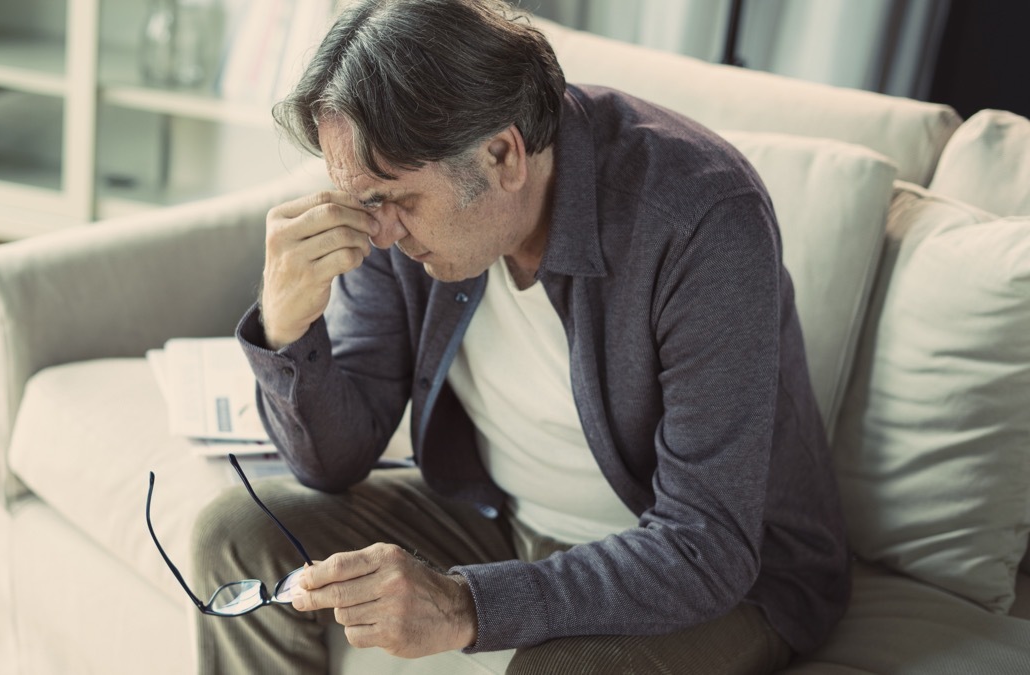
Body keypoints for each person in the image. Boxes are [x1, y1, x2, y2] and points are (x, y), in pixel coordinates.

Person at [191, 0, 850, 672]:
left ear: (503, 155)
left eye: (399, 200)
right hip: (500, 516)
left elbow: (706, 544)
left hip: (725, 575)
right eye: (366, 202)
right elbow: (333, 462)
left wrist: (465, 605)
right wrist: (287, 326)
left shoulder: (699, 219)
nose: (380, 232)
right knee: (237, 535)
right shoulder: (395, 213)